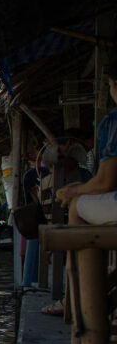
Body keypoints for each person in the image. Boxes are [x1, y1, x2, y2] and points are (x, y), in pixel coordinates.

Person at [45, 76, 117, 316]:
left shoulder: (113, 121)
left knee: (76, 205)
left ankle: (75, 300)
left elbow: (106, 182)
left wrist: (72, 191)